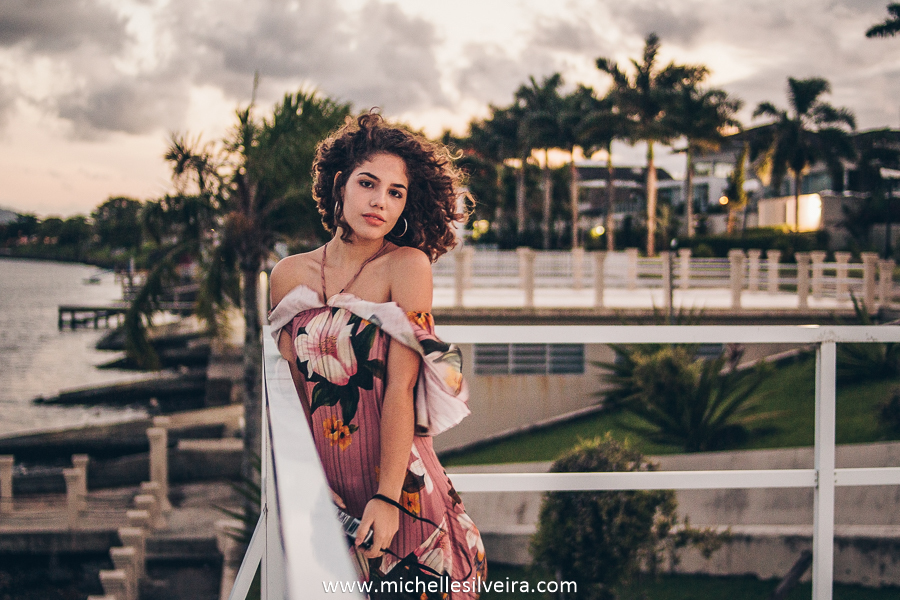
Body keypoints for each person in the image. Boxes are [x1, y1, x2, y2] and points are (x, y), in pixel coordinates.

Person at [268, 111, 487, 598]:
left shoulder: (407, 266)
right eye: (368, 184)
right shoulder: (287, 275)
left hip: (403, 491)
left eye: (396, 192)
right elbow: (296, 388)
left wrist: (388, 498)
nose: (380, 202)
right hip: (332, 498)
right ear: (340, 184)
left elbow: (401, 388)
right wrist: (309, 478)